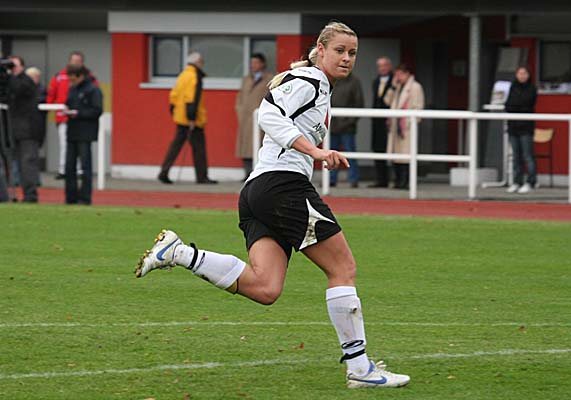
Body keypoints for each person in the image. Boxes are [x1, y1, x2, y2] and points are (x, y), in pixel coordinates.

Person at [135, 22, 410, 389]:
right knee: (343, 268)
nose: (347, 58)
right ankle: (360, 370)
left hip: (259, 191)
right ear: (320, 50)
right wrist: (315, 151)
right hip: (283, 187)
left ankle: (180, 253)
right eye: (340, 50)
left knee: (266, 287)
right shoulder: (310, 80)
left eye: (352, 53)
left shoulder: (316, 84)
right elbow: (266, 114)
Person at [158, 52, 217, 185]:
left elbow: (174, 95)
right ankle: (202, 177)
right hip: (192, 120)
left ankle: (164, 172)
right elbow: (192, 98)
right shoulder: (195, 76)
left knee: (175, 146)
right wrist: (192, 117)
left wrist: (174, 111)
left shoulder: (183, 75)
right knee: (199, 148)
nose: (202, 64)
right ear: (197, 62)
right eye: (201, 61)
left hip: (180, 117)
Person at [47, 51, 96, 180]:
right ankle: (64, 170)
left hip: (82, 118)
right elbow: (51, 94)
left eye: (78, 61)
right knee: (64, 144)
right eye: (73, 61)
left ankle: (80, 171)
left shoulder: (89, 78)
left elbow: (95, 96)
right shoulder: (60, 76)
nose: (75, 63)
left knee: (82, 146)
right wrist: (47, 108)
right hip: (63, 117)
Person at [64, 64, 103, 205]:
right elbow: (68, 103)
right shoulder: (72, 89)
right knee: (69, 166)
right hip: (72, 131)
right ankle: (70, 197)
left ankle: (85, 198)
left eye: (73, 79)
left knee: (85, 167)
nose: (71, 82)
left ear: (81, 76)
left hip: (85, 133)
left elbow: (97, 110)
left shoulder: (93, 89)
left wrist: (78, 113)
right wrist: (67, 110)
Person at [383, 64, 425, 189]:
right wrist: (392, 87)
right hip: (395, 125)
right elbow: (387, 101)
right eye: (396, 75)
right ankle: (398, 180)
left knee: (406, 155)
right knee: (395, 154)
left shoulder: (415, 87)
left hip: (406, 126)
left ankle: (406, 181)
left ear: (407, 74)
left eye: (400, 74)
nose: (398, 77)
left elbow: (418, 106)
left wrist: (410, 122)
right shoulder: (397, 87)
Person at [235, 53, 273, 180]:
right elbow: (239, 98)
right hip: (245, 119)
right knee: (245, 148)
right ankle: (247, 173)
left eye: (256, 62)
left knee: (259, 147)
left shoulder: (269, 79)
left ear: (262, 64)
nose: (253, 65)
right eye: (252, 63)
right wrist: (240, 111)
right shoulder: (246, 79)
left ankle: (258, 174)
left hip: (260, 119)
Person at [7, 55, 39, 203]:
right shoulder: (11, 81)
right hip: (13, 129)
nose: (11, 68)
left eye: (14, 65)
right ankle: (14, 194)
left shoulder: (26, 81)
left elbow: (18, 89)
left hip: (28, 131)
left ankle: (30, 195)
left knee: (27, 163)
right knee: (16, 164)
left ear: (22, 67)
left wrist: (9, 75)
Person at [505, 66, 538, 194]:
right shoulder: (512, 87)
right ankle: (516, 182)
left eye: (524, 73)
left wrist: (516, 105)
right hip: (513, 126)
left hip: (526, 127)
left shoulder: (532, 88)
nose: (522, 75)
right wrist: (515, 106)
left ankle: (531, 182)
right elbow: (508, 105)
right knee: (516, 156)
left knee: (527, 156)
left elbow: (528, 103)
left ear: (528, 75)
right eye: (519, 73)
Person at [329, 71, 364, 188]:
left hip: (348, 126)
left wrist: (350, 121)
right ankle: (331, 179)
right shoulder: (332, 80)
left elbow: (359, 104)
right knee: (331, 154)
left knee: (350, 153)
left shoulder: (354, 82)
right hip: (333, 124)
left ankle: (354, 179)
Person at [370, 57, 394, 188]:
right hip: (377, 122)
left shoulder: (395, 81)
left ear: (389, 66)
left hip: (390, 121)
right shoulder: (375, 82)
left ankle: (396, 179)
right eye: (379, 66)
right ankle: (380, 180)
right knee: (377, 148)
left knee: (391, 149)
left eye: (384, 65)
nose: (382, 68)